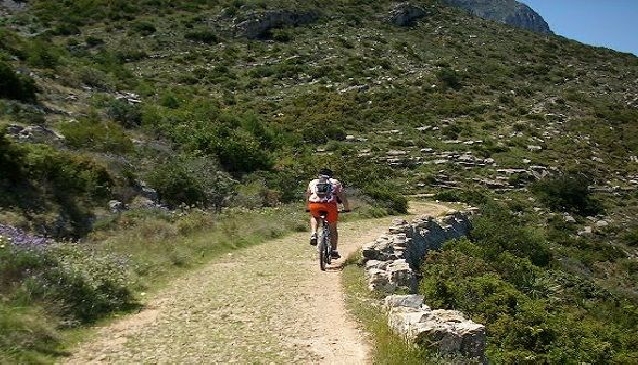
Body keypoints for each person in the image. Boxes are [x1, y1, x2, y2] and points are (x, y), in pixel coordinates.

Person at [305, 168, 350, 259]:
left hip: (314, 205)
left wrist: (307, 208)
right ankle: (334, 251)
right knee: (333, 228)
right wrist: (346, 208)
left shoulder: (313, 182)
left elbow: (308, 195)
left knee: (314, 216)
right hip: (330, 206)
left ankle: (314, 233)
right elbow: (342, 196)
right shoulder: (335, 182)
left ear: (319, 175)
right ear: (331, 175)